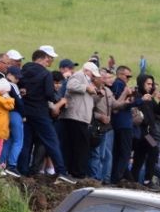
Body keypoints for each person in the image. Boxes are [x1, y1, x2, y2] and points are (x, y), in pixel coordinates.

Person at [16, 47, 73, 183]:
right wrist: (58, 100)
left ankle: (23, 171)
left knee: (26, 142)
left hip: (25, 111)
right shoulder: (46, 74)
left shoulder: (23, 70)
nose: (50, 60)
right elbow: (48, 94)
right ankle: (61, 171)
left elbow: (20, 88)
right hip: (40, 112)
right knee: (52, 140)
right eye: (48, 58)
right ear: (42, 58)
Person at [62, 61, 100, 179]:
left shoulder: (86, 80)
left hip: (81, 117)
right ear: (86, 70)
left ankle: (75, 171)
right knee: (80, 146)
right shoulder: (79, 75)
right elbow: (71, 86)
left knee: (79, 145)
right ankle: (77, 172)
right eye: (92, 74)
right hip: (76, 116)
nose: (93, 77)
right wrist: (86, 88)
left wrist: (94, 92)